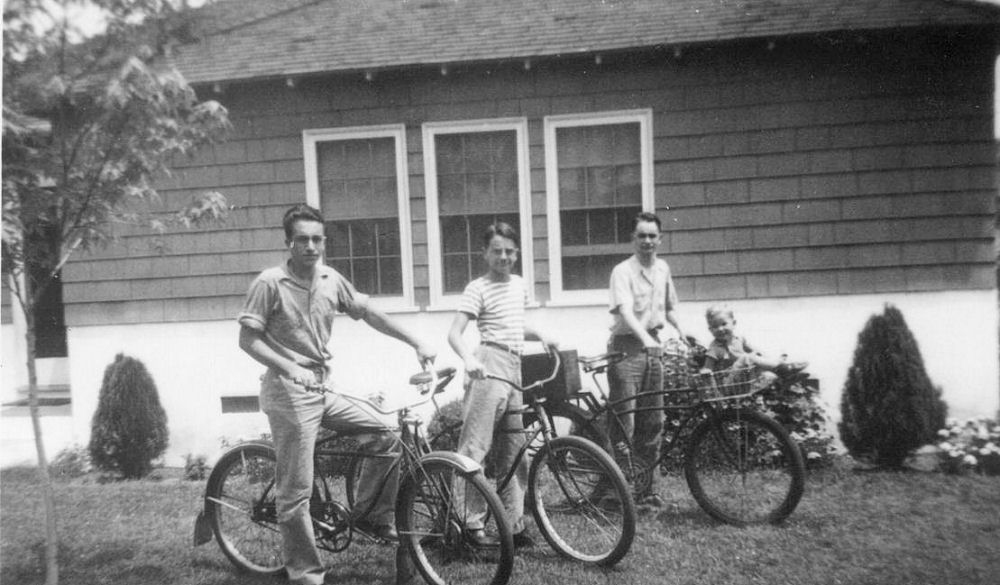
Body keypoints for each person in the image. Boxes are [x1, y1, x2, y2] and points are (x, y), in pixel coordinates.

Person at [237, 203, 436, 585]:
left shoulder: (330, 278)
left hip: (321, 386)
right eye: (302, 240)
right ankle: (306, 574)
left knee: (385, 435)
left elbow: (370, 313)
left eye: (317, 239)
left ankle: (371, 517)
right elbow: (248, 339)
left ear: (324, 242)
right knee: (295, 491)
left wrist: (415, 341)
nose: (311, 246)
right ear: (288, 243)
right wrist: (291, 368)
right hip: (286, 390)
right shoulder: (269, 282)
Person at [447, 221, 558, 549]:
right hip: (488, 364)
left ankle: (513, 523)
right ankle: (470, 525)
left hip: (514, 366)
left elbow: (516, 326)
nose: (504, 257)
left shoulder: (520, 285)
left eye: (510, 251)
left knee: (515, 450)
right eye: (497, 251)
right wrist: (469, 360)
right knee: (474, 448)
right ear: (485, 253)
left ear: (517, 253)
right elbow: (454, 333)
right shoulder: (477, 288)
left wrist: (541, 335)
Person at [606, 211, 689, 508]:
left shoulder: (663, 269)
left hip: (653, 348)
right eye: (641, 236)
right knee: (624, 423)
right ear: (633, 239)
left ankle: (647, 491)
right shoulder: (622, 271)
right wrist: (647, 341)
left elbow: (669, 309)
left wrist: (683, 331)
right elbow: (626, 312)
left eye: (652, 236)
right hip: (626, 349)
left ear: (661, 239)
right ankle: (616, 492)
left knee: (653, 421)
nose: (647, 241)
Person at [699, 304, 808, 378]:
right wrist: (706, 371)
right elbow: (708, 367)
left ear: (734, 323)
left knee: (764, 369)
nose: (720, 329)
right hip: (730, 381)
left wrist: (768, 360)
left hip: (747, 376)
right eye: (715, 326)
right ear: (710, 330)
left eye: (724, 324)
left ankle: (782, 372)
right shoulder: (714, 348)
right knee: (747, 357)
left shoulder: (740, 339)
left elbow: (758, 353)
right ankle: (783, 369)